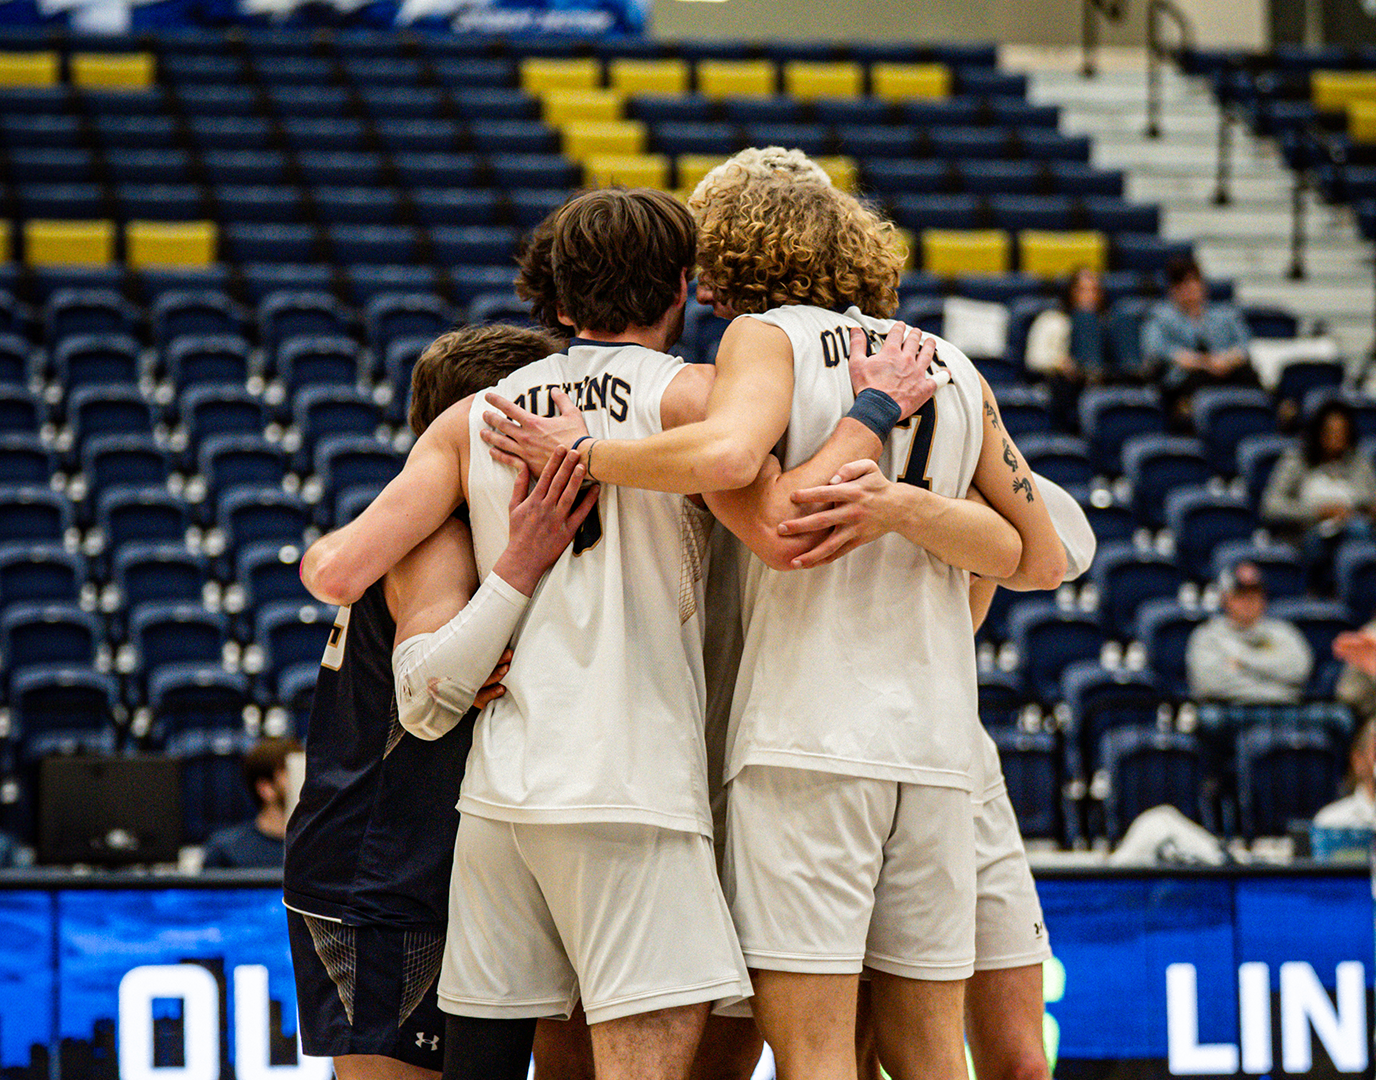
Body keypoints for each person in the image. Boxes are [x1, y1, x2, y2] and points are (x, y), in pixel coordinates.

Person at [302, 187, 958, 1080]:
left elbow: (336, 573)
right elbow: (783, 527)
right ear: (684, 289)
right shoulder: (696, 399)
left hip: (499, 796)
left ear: (559, 304)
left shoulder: (477, 413)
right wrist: (871, 411)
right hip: (629, 786)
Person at [479, 167, 1074, 1080]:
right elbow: (1044, 556)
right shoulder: (944, 361)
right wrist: (909, 508)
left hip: (805, 739)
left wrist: (588, 453)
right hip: (939, 749)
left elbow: (759, 497)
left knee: (811, 1056)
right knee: (927, 1058)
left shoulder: (763, 342)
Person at [282, 322, 592, 1080]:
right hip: (381, 867)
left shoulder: (426, 525)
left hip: (426, 854)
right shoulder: (436, 540)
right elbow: (433, 698)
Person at [1262, 397, 1376, 589]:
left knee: (1359, 532)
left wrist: (1369, 511)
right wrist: (1318, 512)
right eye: (1330, 432)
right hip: (1306, 534)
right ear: (1318, 432)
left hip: (1354, 530)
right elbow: (1271, 506)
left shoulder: (1361, 463)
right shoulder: (1296, 460)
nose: (1336, 438)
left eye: (1342, 432)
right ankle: (1317, 590)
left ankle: (1356, 590)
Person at [1141, 254, 1255, 424]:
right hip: (1187, 379)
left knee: (1248, 376)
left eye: (1195, 282)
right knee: (1195, 382)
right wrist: (1206, 363)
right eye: (1184, 285)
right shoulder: (1159, 316)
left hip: (1227, 370)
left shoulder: (1225, 314)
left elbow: (1244, 345)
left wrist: (1227, 360)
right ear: (1173, 290)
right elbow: (1156, 349)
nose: (1191, 289)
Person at [1187, 562, 1314, 706]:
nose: (1248, 600)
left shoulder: (1283, 632)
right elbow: (1209, 685)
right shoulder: (1207, 635)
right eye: (1240, 594)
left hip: (1282, 709)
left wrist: (1242, 662)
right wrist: (1272, 685)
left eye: (1255, 593)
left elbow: (1299, 671)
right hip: (1229, 710)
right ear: (1224, 598)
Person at [1025, 267, 1119, 429]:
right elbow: (1034, 358)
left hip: (1103, 382)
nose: (1089, 296)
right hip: (1063, 385)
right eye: (1082, 290)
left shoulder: (1107, 324)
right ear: (1070, 292)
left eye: (1094, 290)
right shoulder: (1052, 319)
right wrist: (1059, 363)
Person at [204, 736, 299, 869]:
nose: (302, 777)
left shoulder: (319, 847)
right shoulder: (226, 850)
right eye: (289, 771)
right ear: (266, 788)